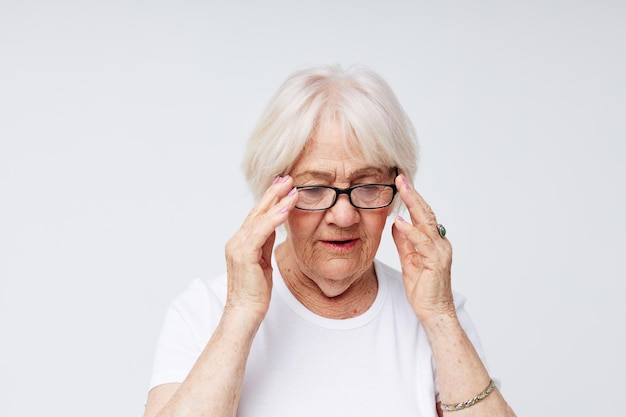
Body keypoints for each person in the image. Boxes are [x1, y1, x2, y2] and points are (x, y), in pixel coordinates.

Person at [142, 65, 517, 417]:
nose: (343, 216)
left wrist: (440, 316)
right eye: (315, 187)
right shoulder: (203, 312)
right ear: (273, 196)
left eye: (368, 186)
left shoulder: (437, 313)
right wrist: (241, 312)